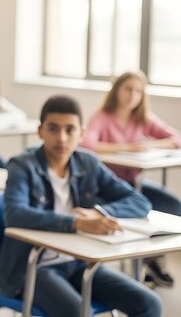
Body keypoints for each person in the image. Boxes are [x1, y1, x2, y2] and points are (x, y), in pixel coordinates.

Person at [0, 95, 161, 317]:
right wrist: (77, 223)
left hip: (79, 263)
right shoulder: (23, 165)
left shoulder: (87, 163)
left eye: (70, 130)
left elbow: (140, 201)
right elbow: (15, 214)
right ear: (40, 131)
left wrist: (98, 213)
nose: (62, 138)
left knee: (149, 303)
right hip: (34, 268)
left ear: (81, 133)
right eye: (53, 129)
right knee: (77, 312)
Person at [81, 70, 181, 287]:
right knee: (138, 211)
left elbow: (176, 138)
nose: (132, 95)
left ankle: (154, 261)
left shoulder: (143, 119)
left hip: (134, 184)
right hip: (108, 186)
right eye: (128, 89)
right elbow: (87, 145)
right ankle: (135, 263)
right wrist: (126, 147)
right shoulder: (102, 117)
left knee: (173, 205)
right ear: (117, 90)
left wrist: (148, 145)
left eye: (138, 91)